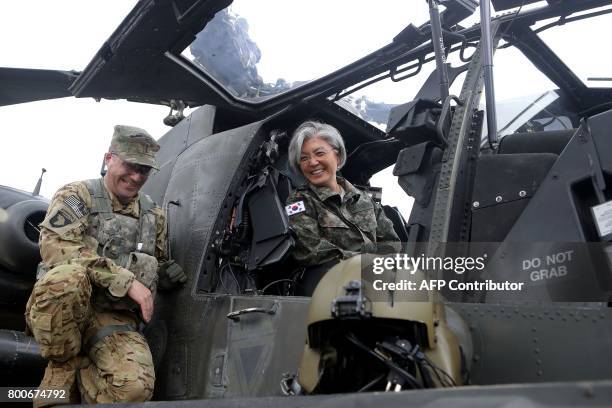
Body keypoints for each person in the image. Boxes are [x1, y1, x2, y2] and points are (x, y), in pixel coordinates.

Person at [25, 125, 187, 406]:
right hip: (66, 310)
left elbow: (156, 262)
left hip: (114, 318)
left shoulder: (154, 216)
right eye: (130, 165)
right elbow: (55, 248)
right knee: (69, 277)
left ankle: (81, 382)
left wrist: (165, 274)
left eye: (144, 170)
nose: (136, 177)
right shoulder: (77, 195)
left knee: (135, 390)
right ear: (109, 159)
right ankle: (63, 366)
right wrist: (123, 280)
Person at [285, 120, 400, 268]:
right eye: (304, 158)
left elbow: (392, 242)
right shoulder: (299, 202)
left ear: (337, 156)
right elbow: (310, 250)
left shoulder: (364, 198)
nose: (312, 162)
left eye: (319, 153)